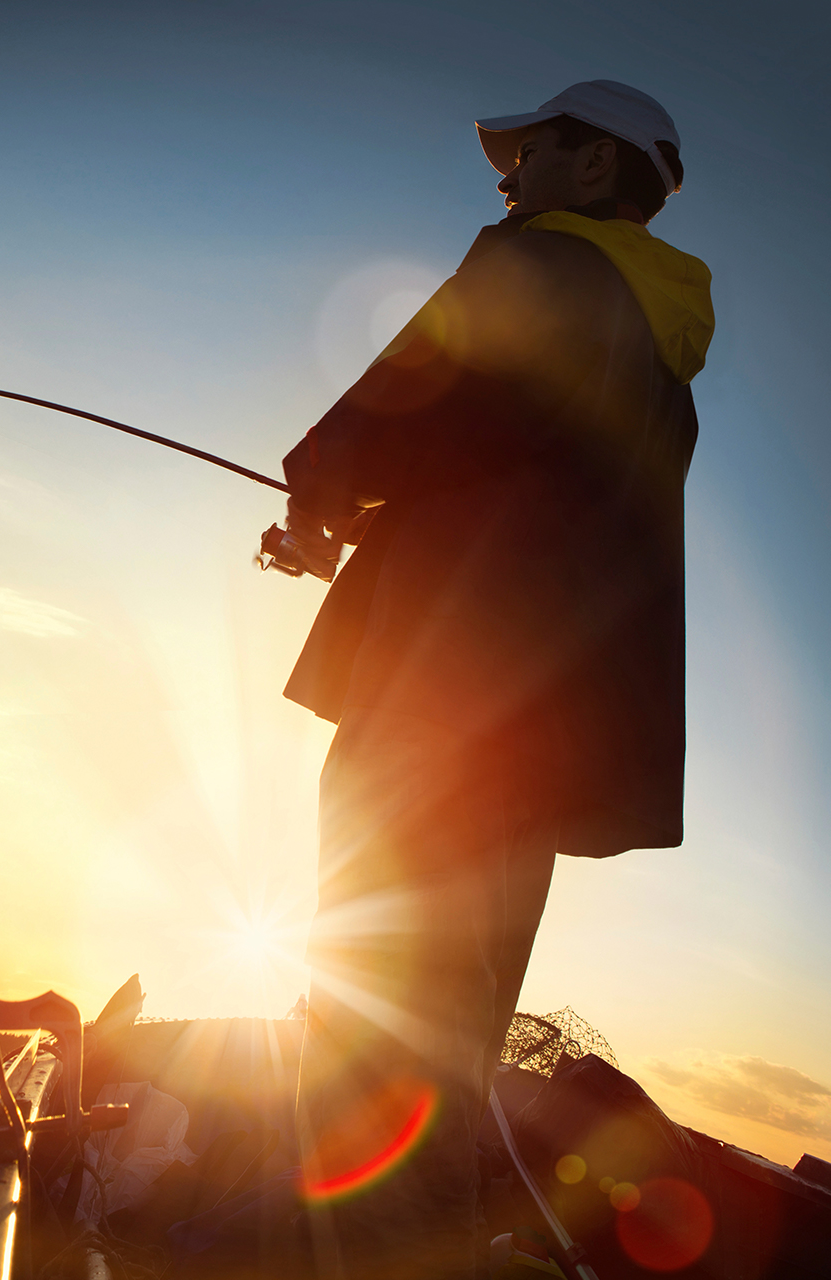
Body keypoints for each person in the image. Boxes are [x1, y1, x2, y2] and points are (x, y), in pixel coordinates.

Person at [266, 81, 714, 1279]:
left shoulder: (536, 266)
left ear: (594, 163)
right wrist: (359, 524)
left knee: (375, 993)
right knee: (459, 1015)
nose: (508, 175)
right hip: (550, 721)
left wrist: (319, 492)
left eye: (532, 151)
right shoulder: (662, 356)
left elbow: (408, 406)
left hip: (439, 688)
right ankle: (431, 1243)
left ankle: (366, 1257)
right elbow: (528, 480)